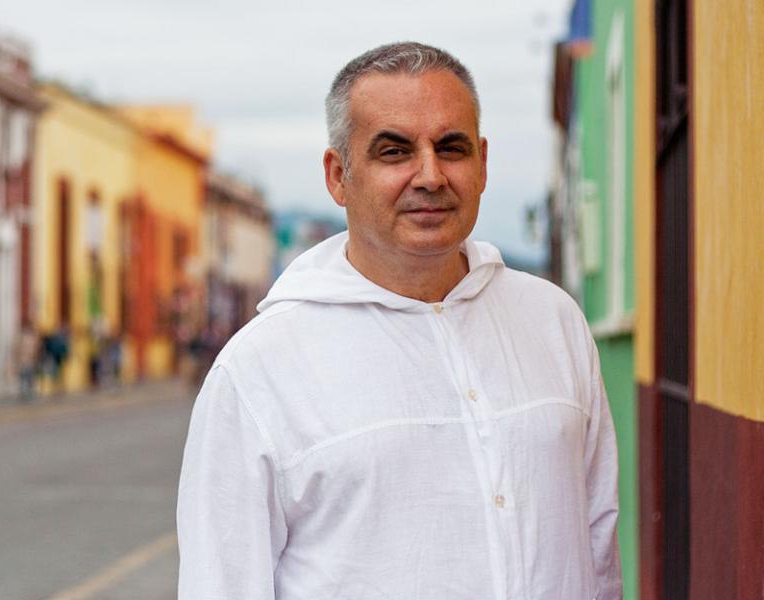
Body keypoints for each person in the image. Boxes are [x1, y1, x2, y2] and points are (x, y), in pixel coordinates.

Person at [176, 42, 621, 600]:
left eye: (451, 148)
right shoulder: (258, 371)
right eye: (394, 151)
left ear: (482, 163)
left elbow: (596, 544)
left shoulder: (554, 323)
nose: (430, 175)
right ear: (339, 176)